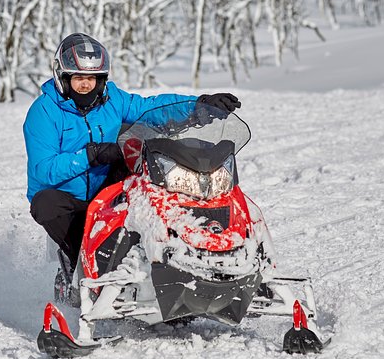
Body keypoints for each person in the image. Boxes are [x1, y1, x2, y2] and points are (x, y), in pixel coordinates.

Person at [23, 32, 240, 278]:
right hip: (67, 198)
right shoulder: (43, 112)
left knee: (154, 179)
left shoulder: (111, 99)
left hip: (105, 189)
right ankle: (80, 270)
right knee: (45, 203)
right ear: (63, 77)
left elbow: (150, 109)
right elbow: (44, 169)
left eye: (93, 78)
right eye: (79, 78)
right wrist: (89, 156)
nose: (86, 85)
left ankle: (177, 251)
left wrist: (199, 106)